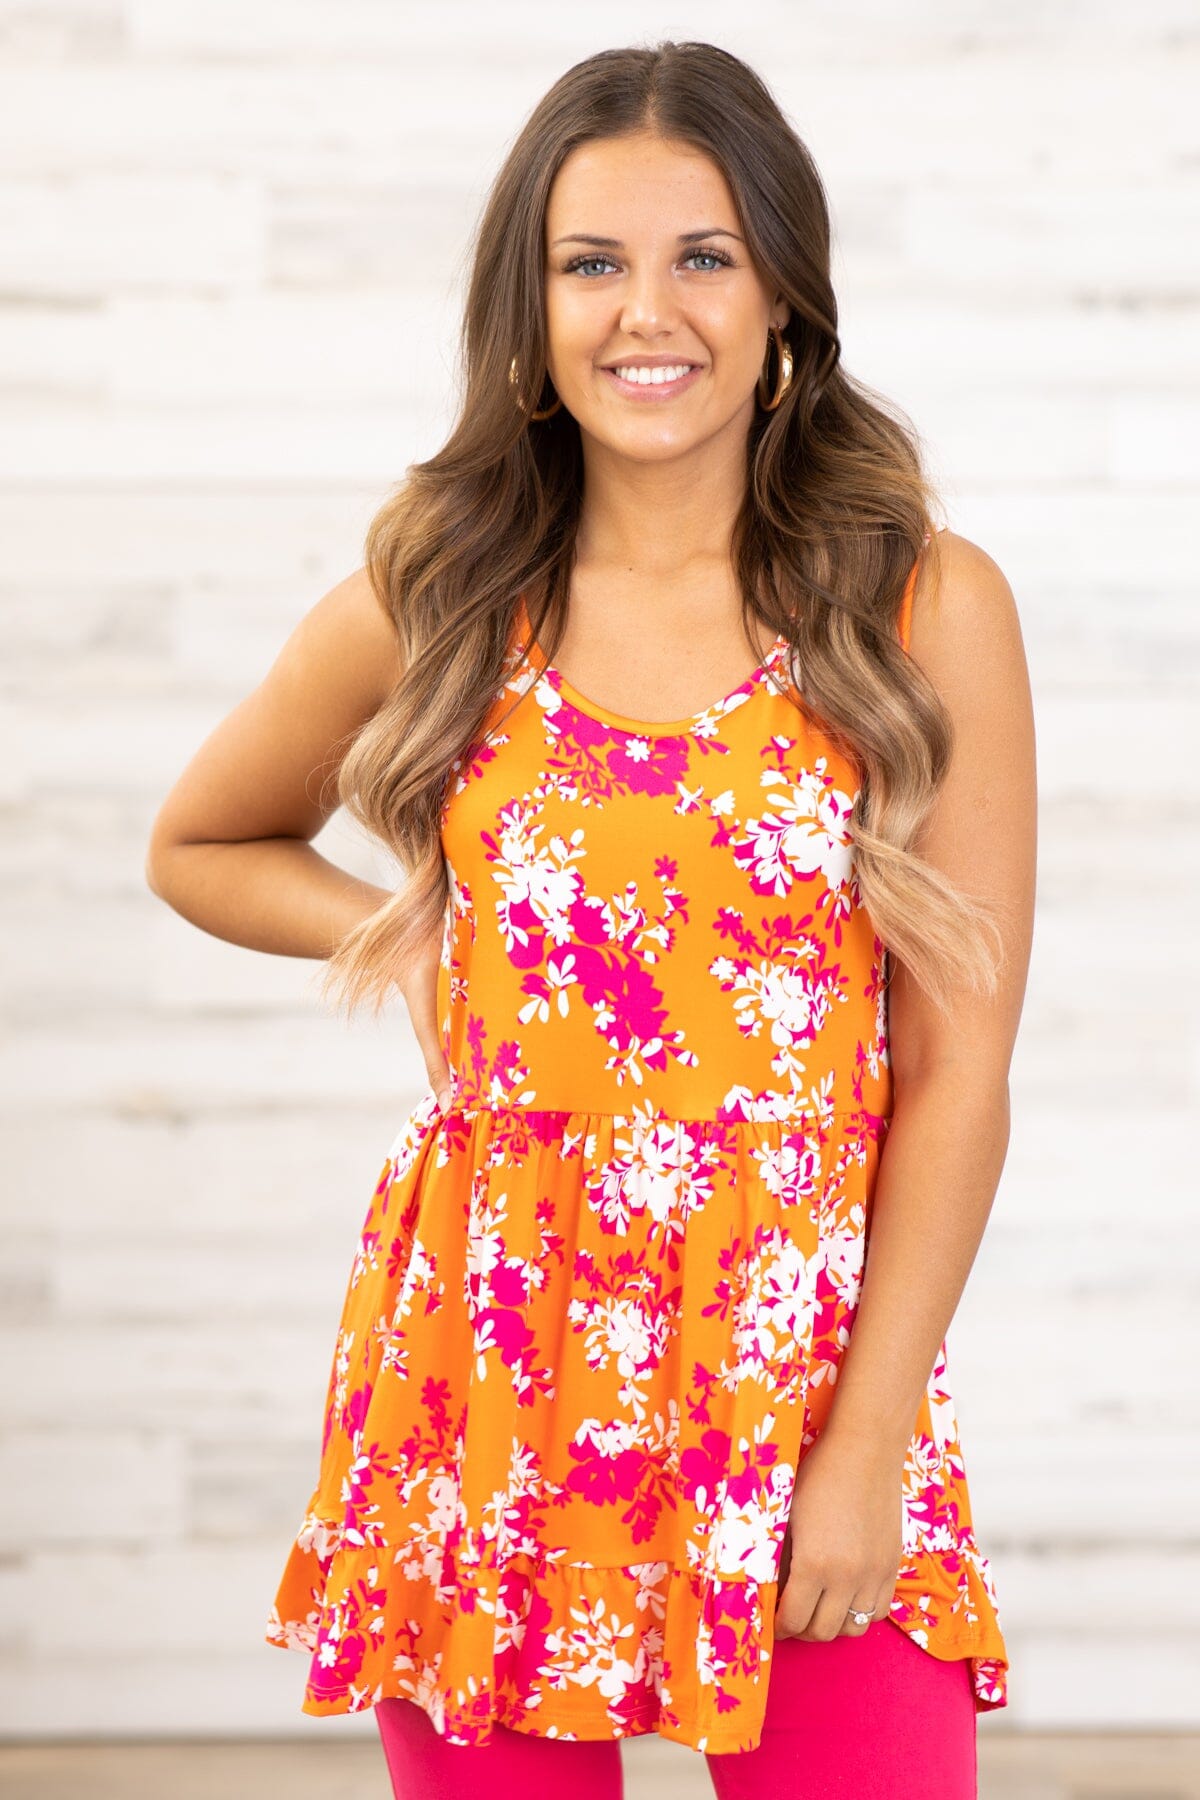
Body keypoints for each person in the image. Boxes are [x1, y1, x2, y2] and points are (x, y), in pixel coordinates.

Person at [145, 39, 1036, 1800]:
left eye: (705, 255)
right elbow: (203, 841)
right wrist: (409, 935)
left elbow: (959, 1073)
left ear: (783, 294)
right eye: (591, 263)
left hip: (797, 1377)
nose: (650, 312)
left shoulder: (919, 602)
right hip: (483, 1376)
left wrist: (866, 1449)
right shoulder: (443, 586)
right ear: (530, 309)